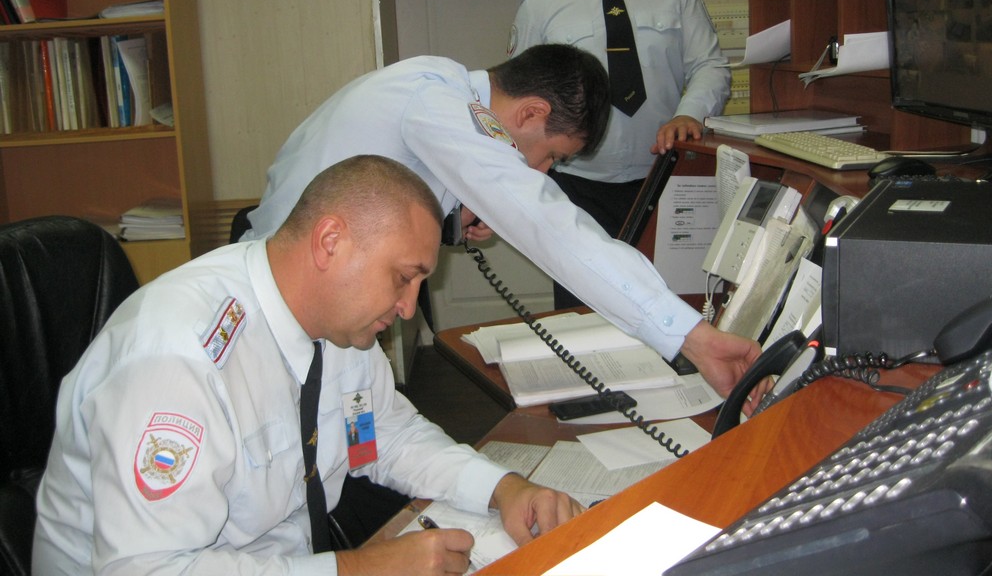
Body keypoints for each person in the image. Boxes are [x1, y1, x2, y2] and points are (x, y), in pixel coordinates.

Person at [33, 155, 583, 575]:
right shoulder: (179, 358)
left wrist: (503, 489)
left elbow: (384, 437)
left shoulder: (341, 327)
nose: (408, 308)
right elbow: (146, 569)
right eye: (403, 277)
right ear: (331, 242)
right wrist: (362, 570)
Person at [241, 43, 762, 409]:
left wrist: (453, 218)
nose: (543, 171)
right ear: (532, 112)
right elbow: (545, 220)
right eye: (551, 155)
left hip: (313, 292)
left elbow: (389, 192)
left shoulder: (438, 88)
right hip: (276, 310)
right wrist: (689, 336)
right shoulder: (436, 101)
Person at [508, 0, 732, 308]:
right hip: (574, 189)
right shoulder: (540, 6)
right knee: (583, 313)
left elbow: (710, 65)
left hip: (666, 180)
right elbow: (515, 100)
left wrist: (690, 113)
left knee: (673, 308)